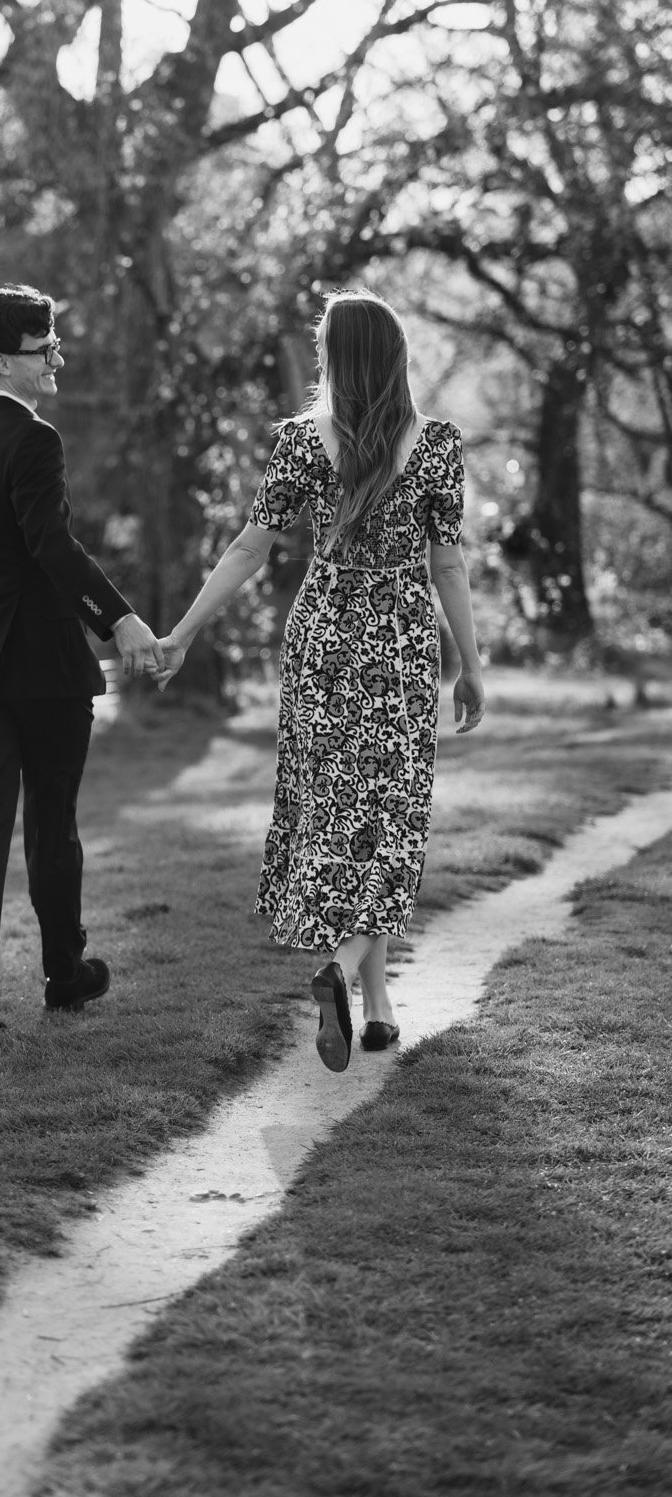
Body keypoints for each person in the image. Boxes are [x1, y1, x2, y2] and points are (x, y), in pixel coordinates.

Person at [155, 290, 486, 1071]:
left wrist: (182, 632)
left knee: (338, 813)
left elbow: (248, 549)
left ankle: (377, 1009)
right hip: (399, 637)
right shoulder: (436, 444)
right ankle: (343, 973)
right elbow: (446, 563)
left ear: (332, 359)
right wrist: (470, 664)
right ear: (398, 356)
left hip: (323, 636)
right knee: (391, 815)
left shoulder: (303, 442)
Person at [0, 285, 165, 1037]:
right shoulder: (35, 438)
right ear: (4, 360)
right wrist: (120, 621)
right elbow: (50, 546)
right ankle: (65, 976)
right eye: (44, 346)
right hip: (40, 666)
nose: (57, 355)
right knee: (51, 825)